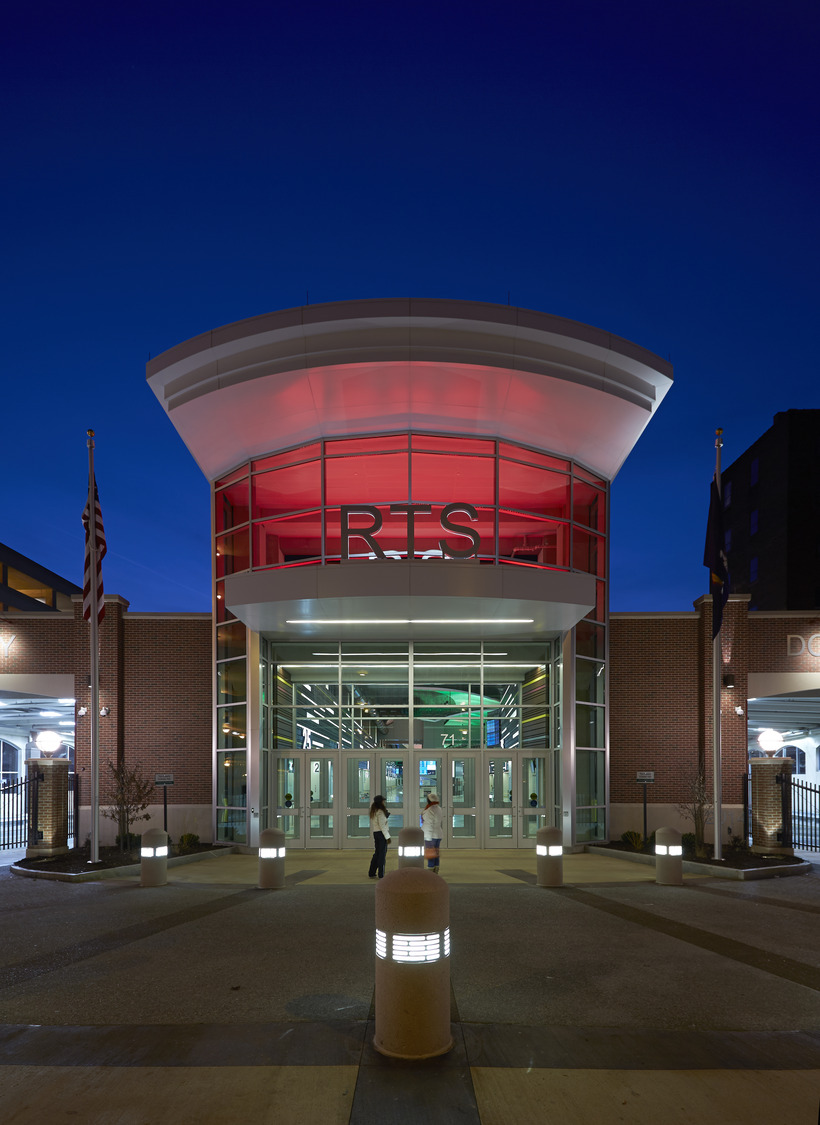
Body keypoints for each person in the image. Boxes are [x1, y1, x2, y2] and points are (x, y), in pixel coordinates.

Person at [421, 790, 444, 873]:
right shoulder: (439, 809)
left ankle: (430, 871)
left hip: (430, 835)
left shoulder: (430, 810)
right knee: (436, 854)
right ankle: (436, 870)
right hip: (438, 834)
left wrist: (428, 837)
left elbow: (429, 824)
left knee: (431, 854)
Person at [368, 794, 391, 878]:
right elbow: (382, 825)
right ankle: (381, 874)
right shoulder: (380, 812)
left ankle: (371, 872)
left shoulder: (374, 811)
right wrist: (387, 837)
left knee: (377, 853)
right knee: (382, 854)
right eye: (383, 801)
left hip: (376, 833)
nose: (384, 802)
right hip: (381, 834)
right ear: (380, 802)